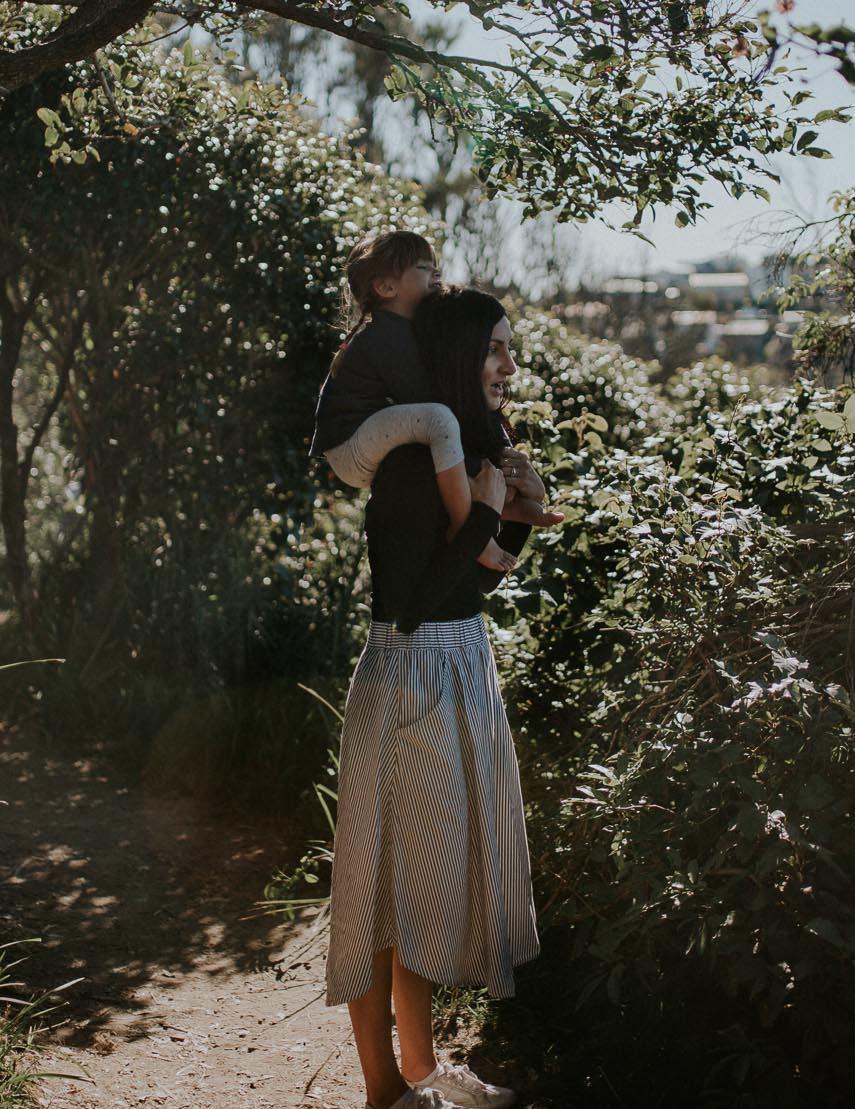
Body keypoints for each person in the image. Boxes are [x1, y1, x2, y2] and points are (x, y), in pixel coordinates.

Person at [324, 286, 551, 1109]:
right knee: (385, 890)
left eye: (509, 349)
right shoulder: (415, 464)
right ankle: (390, 1085)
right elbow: (418, 601)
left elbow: (472, 587)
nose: (508, 364)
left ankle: (417, 1069)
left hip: (455, 666)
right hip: (411, 673)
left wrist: (512, 511)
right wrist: (491, 508)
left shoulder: (461, 461)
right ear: (458, 355)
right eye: (494, 348)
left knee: (420, 883)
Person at [311, 232, 553, 575]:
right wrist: (475, 476)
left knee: (438, 424)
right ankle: (470, 527)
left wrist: (504, 479)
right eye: (427, 270)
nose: (438, 279)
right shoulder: (388, 338)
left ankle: (487, 509)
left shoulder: (400, 335)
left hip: (360, 440)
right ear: (387, 287)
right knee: (437, 418)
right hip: (352, 443)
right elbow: (430, 401)